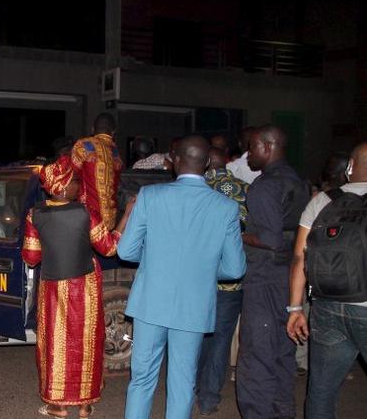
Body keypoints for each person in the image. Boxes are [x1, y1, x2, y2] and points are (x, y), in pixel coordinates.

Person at [117, 135, 246, 419]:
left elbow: (126, 250)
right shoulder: (226, 207)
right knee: (183, 382)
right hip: (194, 304)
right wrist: (203, 269)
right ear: (209, 164)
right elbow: (235, 269)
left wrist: (155, 260)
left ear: (175, 162)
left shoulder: (151, 196)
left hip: (151, 301)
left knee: (141, 380)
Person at [22, 155, 133, 419]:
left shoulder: (34, 214)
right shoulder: (86, 212)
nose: (79, 186)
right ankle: (84, 406)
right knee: (86, 342)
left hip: (52, 289)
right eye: (75, 182)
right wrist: (126, 216)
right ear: (63, 186)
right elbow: (109, 247)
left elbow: (31, 257)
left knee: (56, 343)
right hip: (85, 286)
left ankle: (58, 406)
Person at [286, 142, 367, 419]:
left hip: (326, 307)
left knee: (321, 391)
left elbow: (299, 258)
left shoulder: (322, 201)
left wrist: (295, 309)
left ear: (350, 168)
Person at [236, 125, 310, 419]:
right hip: (291, 279)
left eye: (252, 147)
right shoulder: (300, 181)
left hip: (265, 279)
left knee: (256, 358)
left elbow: (269, 238)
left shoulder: (266, 185)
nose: (248, 153)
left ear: (268, 147)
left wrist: (238, 234)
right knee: (282, 353)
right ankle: (283, 412)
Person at [196, 147, 249, 415]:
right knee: (220, 339)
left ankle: (192, 386)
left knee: (197, 334)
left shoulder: (197, 189)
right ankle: (208, 398)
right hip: (229, 281)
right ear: (226, 163)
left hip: (197, 278)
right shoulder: (242, 188)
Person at [71, 112, 123, 231]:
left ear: (92, 129)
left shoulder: (82, 146)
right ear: (113, 132)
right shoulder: (115, 152)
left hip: (87, 220)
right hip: (111, 222)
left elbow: (71, 178)